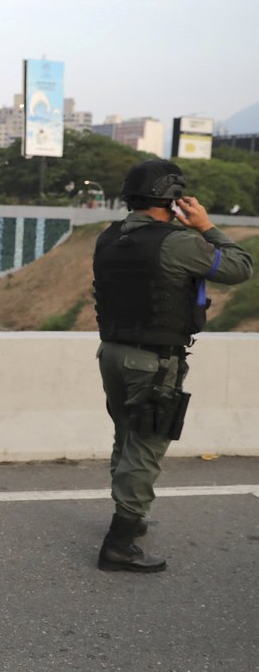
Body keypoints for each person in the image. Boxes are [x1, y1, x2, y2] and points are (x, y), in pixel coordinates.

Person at [92, 159, 252, 572]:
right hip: (153, 360)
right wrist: (205, 226)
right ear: (174, 197)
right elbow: (239, 267)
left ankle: (129, 516)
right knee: (146, 446)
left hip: (111, 353)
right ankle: (120, 543)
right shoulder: (178, 242)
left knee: (127, 436)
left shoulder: (108, 238)